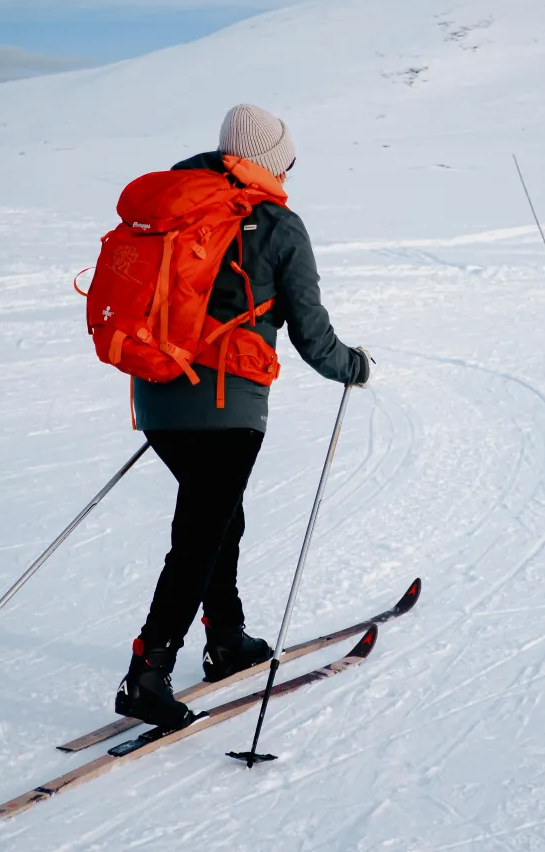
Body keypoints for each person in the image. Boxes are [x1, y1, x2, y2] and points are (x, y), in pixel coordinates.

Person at [114, 103, 370, 729]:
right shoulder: (277, 223)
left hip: (155, 393)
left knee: (217, 515)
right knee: (201, 534)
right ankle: (149, 673)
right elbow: (313, 335)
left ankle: (226, 638)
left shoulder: (175, 208)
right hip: (227, 403)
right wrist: (353, 365)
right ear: (271, 161)